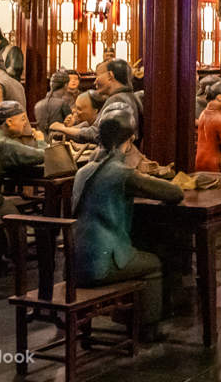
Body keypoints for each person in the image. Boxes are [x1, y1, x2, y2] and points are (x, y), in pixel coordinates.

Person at [72, 105, 184, 341]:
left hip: (75, 259)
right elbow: (174, 194)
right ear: (130, 139)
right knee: (153, 263)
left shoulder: (83, 171)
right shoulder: (121, 172)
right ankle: (147, 329)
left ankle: (128, 318)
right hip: (102, 262)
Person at [34, 70, 77, 137]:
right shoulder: (62, 103)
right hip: (58, 141)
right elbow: (70, 125)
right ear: (66, 85)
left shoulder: (37, 105)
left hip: (40, 139)